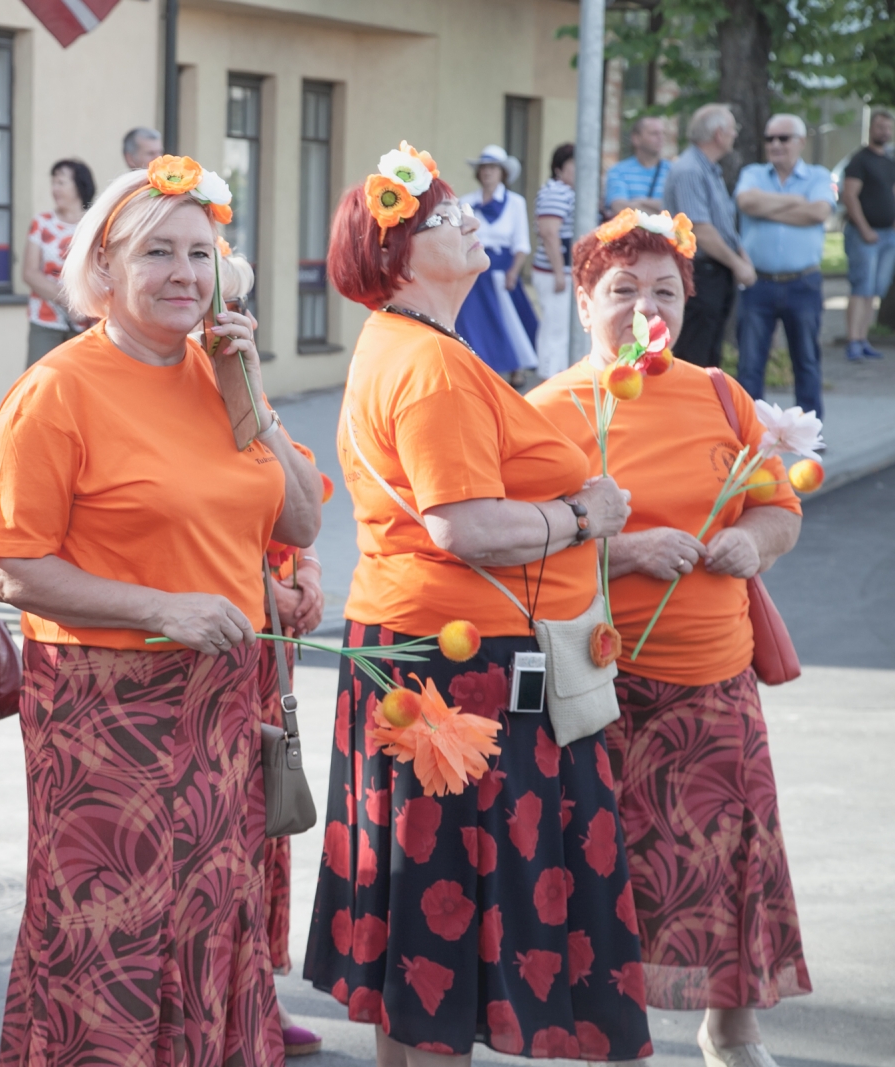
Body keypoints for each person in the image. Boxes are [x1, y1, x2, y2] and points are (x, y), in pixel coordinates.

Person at [306, 142, 652, 1064]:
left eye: (458, 210)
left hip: (428, 649)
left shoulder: (416, 344)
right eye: (439, 218)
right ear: (397, 256)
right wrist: (584, 512)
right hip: (463, 663)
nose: (465, 222)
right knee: (444, 892)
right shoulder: (431, 364)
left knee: (425, 887)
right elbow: (461, 525)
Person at [0, 156, 325, 1066]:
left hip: (218, 699)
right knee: (109, 933)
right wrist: (162, 609)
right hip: (103, 708)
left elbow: (299, 517)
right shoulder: (57, 391)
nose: (184, 274)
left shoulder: (219, 375)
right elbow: (12, 568)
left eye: (201, 254)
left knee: (209, 916)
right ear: (103, 270)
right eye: (157, 253)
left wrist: (248, 384)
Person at [529, 211, 810, 1067]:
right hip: (599, 685)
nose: (644, 308)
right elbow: (526, 544)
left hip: (714, 677)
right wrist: (622, 549)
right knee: (609, 869)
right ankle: (608, 1032)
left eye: (664, 292)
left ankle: (733, 1027)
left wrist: (750, 542)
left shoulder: (720, 395)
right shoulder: (545, 412)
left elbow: (778, 507)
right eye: (622, 291)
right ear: (584, 302)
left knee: (727, 860)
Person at [218, 242, 328, 1058]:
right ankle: (229, 1000)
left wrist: (309, 574)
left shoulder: (255, 402)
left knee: (266, 827)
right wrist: (267, 593)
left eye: (238, 310)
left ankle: (257, 988)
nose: (226, 326)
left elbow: (300, 501)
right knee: (227, 835)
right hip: (220, 637)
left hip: (264, 658)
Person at [734, 114, 834, 419]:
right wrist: (796, 203)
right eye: (770, 139)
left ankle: (810, 430)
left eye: (783, 138)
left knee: (806, 359)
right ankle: (751, 432)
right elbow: (746, 203)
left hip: (802, 283)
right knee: (750, 363)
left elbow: (819, 212)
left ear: (801, 142)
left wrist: (769, 207)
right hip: (757, 283)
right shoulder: (752, 173)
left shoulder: (818, 176)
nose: (775, 144)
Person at [664, 103, 757, 368]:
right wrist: (738, 263)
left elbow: (724, 226)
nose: (735, 135)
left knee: (710, 355)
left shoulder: (709, 169)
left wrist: (742, 256)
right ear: (718, 134)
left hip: (715, 273)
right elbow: (700, 230)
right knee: (695, 355)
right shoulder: (690, 170)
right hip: (700, 273)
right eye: (732, 129)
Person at [455, 145, 538, 382]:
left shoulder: (515, 203)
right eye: (483, 168)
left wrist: (514, 271)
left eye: (492, 168)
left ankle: (516, 367)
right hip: (475, 266)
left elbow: (521, 242)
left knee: (509, 320)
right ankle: (481, 367)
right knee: (475, 320)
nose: (487, 172)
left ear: (502, 172)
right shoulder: (467, 201)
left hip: (502, 268)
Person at [22, 158, 95, 366]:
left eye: (61, 182)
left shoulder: (94, 224)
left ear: (79, 185)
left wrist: (85, 307)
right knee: (39, 381)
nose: (55, 189)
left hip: (88, 322)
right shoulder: (42, 222)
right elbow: (30, 273)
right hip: (45, 320)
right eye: (53, 182)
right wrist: (68, 301)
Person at [841, 108, 895, 362]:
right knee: (861, 288)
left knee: (874, 289)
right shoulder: (859, 160)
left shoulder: (889, 161)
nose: (884, 132)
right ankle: (852, 340)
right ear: (871, 129)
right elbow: (849, 196)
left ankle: (863, 339)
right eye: (880, 127)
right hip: (864, 236)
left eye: (888, 127)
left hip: (887, 235)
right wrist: (864, 229)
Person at [533, 143, 577, 381]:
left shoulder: (564, 191)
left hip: (562, 271)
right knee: (555, 330)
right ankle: (549, 379)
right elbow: (550, 232)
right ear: (559, 169)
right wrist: (560, 272)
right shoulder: (556, 192)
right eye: (574, 165)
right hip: (554, 273)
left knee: (562, 330)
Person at [606, 116, 670, 215]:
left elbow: (680, 207)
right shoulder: (619, 171)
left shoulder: (673, 171)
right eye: (654, 133)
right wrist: (661, 212)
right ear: (636, 139)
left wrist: (640, 201)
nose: (661, 137)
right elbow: (619, 207)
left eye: (663, 133)